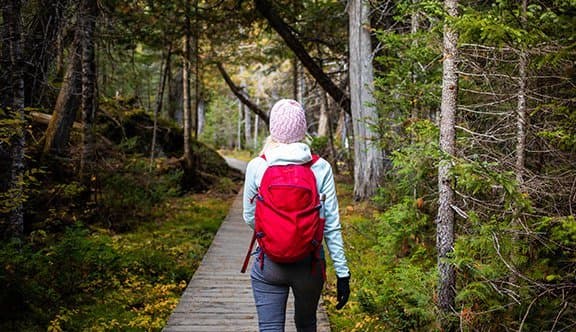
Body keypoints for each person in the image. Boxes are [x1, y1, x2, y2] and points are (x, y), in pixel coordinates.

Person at [243, 99, 350, 332]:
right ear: (302, 130)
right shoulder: (320, 167)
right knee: (306, 325)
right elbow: (331, 225)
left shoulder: (257, 166)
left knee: (269, 328)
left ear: (273, 129)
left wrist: (273, 234)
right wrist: (342, 273)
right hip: (309, 265)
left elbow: (249, 216)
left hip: (269, 265)